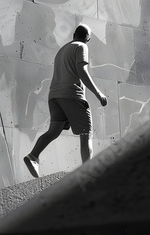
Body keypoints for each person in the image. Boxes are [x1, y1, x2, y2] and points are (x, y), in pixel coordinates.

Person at [24, 24, 108, 178]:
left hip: (55, 96)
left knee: (53, 131)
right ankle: (87, 174)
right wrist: (98, 93)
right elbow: (82, 71)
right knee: (86, 133)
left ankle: (33, 156)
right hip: (72, 95)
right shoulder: (81, 47)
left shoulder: (62, 50)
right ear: (88, 39)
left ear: (74, 34)